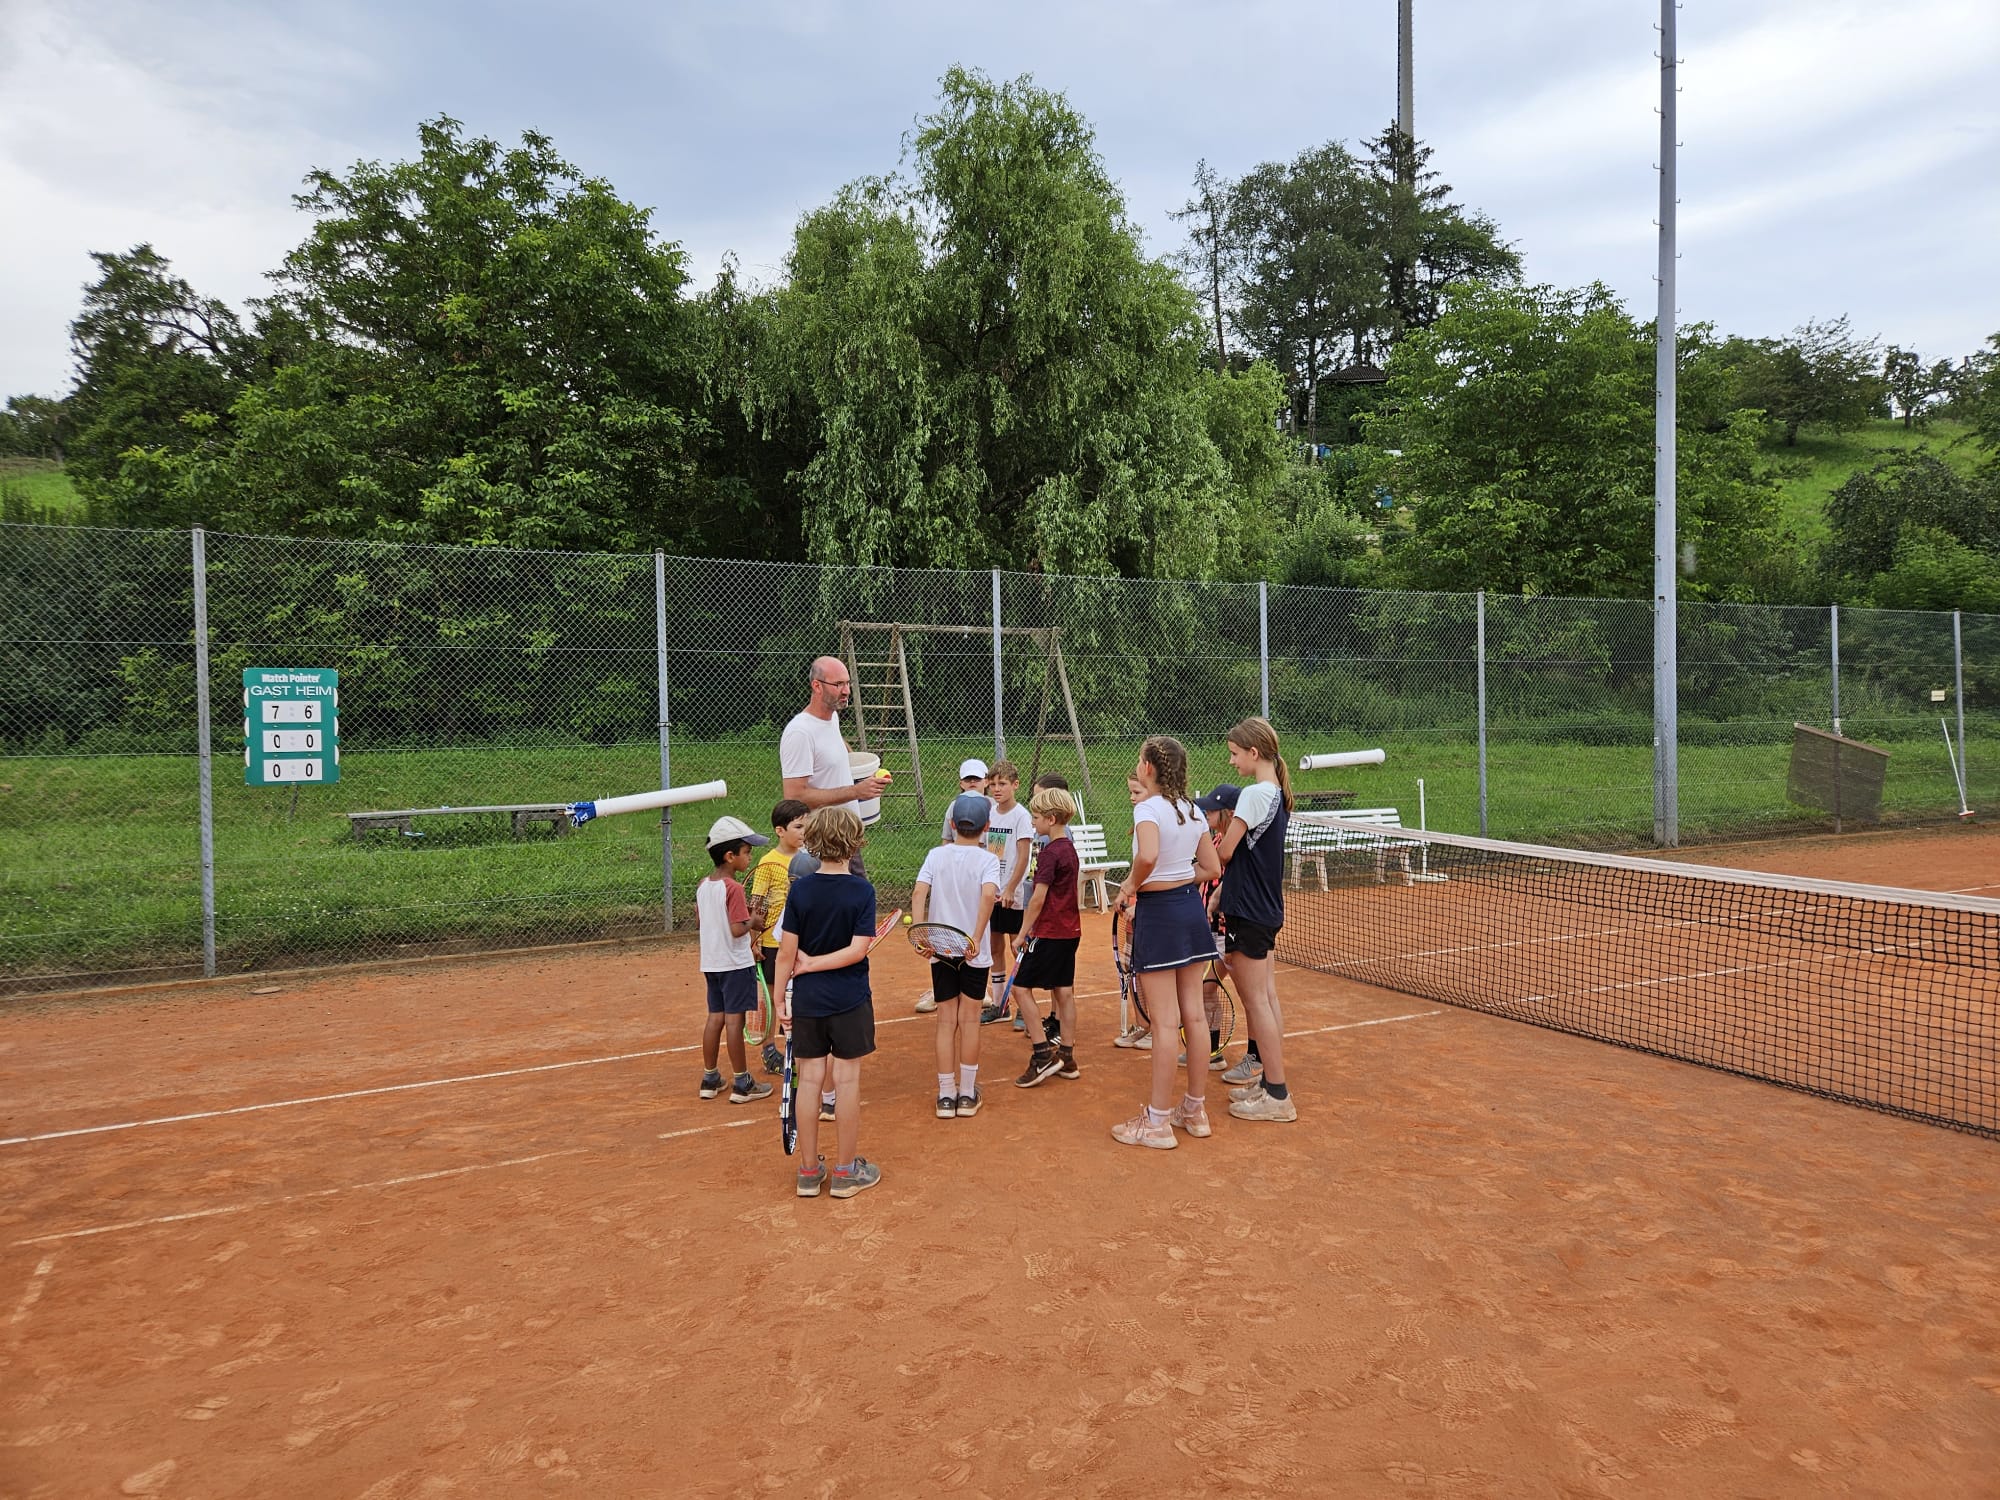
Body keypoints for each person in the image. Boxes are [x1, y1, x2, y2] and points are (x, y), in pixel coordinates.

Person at [1110, 737, 1222, 1150]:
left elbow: (1147, 856)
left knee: (1163, 1022)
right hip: (1190, 911)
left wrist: (1131, 886)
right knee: (1193, 1016)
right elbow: (1211, 867)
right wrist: (1179, 881)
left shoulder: (1147, 809)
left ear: (1148, 769)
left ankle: (1157, 1123)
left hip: (1159, 916)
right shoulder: (1192, 809)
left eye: (1140, 760)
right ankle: (1194, 1109)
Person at [773, 806, 882, 1199]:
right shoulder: (862, 891)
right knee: (846, 1080)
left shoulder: (800, 890)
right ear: (854, 844)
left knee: (810, 1080)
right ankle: (845, 1172)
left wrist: (778, 998)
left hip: (807, 999)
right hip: (849, 998)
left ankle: (808, 1171)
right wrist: (815, 965)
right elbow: (857, 951)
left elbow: (787, 954)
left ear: (813, 842)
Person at [1214, 717, 1297, 1124]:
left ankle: (1278, 1094)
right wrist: (1220, 891)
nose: (1232, 762)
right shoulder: (1276, 793)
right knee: (1266, 998)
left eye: (1235, 754)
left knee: (1257, 1002)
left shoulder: (1253, 794)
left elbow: (1225, 852)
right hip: (1262, 908)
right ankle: (1268, 1083)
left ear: (1253, 752)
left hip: (1248, 910)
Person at [912, 793, 1001, 1119]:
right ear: (986, 827)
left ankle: (946, 1095)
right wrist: (975, 937)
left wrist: (920, 932)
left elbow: (919, 892)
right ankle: (966, 1095)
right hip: (972, 952)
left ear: (952, 824)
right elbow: (989, 896)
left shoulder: (936, 855)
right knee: (970, 1020)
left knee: (946, 1020)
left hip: (940, 948)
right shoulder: (988, 859)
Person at [696, 815, 775, 1106]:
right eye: (746, 852)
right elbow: (736, 929)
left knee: (715, 1017)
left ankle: (710, 1079)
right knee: (734, 1021)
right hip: (735, 967)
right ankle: (743, 1083)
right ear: (730, 856)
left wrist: (745, 938)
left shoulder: (703, 885)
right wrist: (753, 921)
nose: (749, 857)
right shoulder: (734, 889)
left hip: (712, 964)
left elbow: (705, 924)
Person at [1012, 785, 1082, 1088]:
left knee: (1020, 989)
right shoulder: (1069, 848)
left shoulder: (1050, 853)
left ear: (1051, 819)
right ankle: (1067, 1055)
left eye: (1037, 817)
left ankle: (1043, 1054)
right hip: (1070, 931)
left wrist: (1022, 934)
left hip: (1050, 932)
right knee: (1064, 990)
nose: (1033, 822)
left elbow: (1038, 899)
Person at [747, 798, 809, 1074]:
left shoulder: (808, 859)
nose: (804, 832)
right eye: (798, 827)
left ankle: (798, 1047)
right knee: (775, 999)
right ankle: (770, 1050)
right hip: (774, 943)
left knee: (800, 996)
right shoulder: (768, 862)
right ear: (779, 831)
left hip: (803, 941)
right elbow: (757, 904)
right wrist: (755, 940)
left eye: (806, 826)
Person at [978, 761, 1035, 1026]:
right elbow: (984, 850)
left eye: (1002, 784)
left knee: (1017, 948)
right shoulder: (989, 812)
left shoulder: (1021, 816)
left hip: (1013, 896)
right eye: (993, 784)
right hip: (992, 894)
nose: (997, 789)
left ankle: (1025, 1007)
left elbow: (1023, 856)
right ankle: (1000, 1006)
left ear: (1015, 785)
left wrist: (1011, 887)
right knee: (994, 947)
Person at [1110, 773, 1154, 1050]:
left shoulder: (1154, 823)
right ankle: (1142, 1025)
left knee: (1148, 972)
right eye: (1131, 792)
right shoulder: (1139, 823)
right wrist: (1125, 891)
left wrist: (1141, 904)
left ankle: (1155, 1028)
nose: (1131, 797)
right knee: (1133, 968)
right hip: (1137, 903)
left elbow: (1156, 867)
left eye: (1137, 792)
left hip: (1152, 907)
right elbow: (1138, 865)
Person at [939, 759, 989, 842]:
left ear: (986, 782)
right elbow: (947, 840)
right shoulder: (954, 806)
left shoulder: (995, 807)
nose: (972, 781)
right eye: (967, 779)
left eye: (977, 778)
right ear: (961, 784)